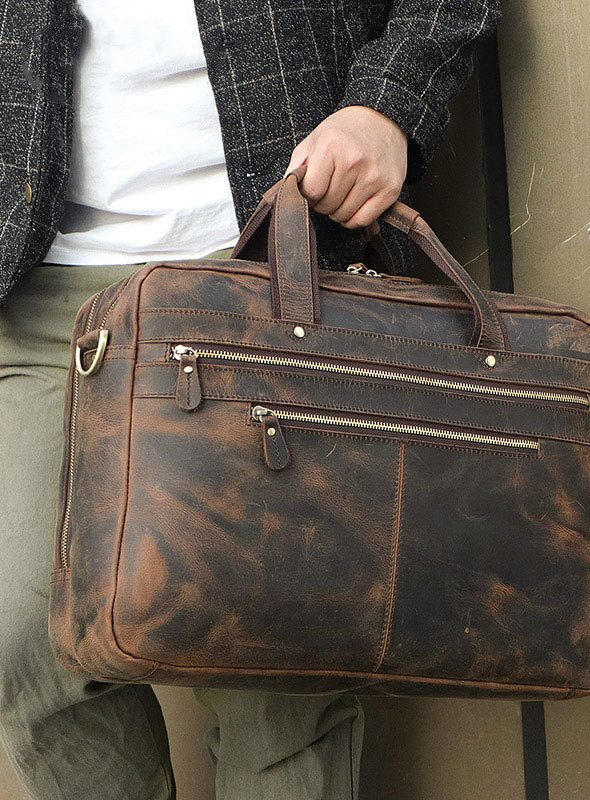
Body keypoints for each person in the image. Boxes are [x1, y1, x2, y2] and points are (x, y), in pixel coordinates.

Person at [0, 0, 501, 798]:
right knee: (23, 645)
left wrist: (387, 106)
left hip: (268, 258)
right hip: (34, 280)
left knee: (277, 660)